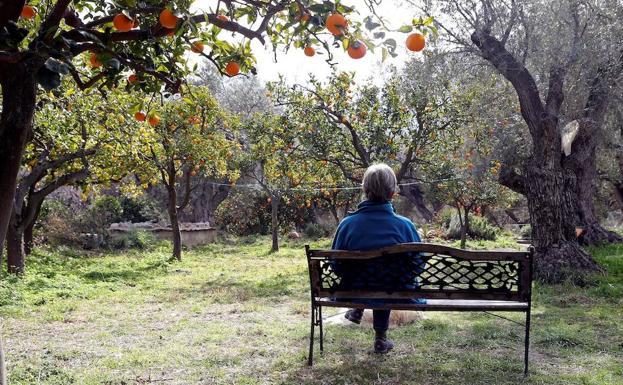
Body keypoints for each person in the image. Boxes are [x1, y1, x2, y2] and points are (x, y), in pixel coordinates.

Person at [331, 163, 423, 354]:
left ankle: (360, 309)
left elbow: (336, 264)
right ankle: (381, 338)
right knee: (386, 281)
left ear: (365, 190)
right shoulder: (405, 226)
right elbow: (418, 264)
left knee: (370, 279)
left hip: (356, 288)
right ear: (392, 193)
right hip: (395, 288)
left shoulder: (347, 225)